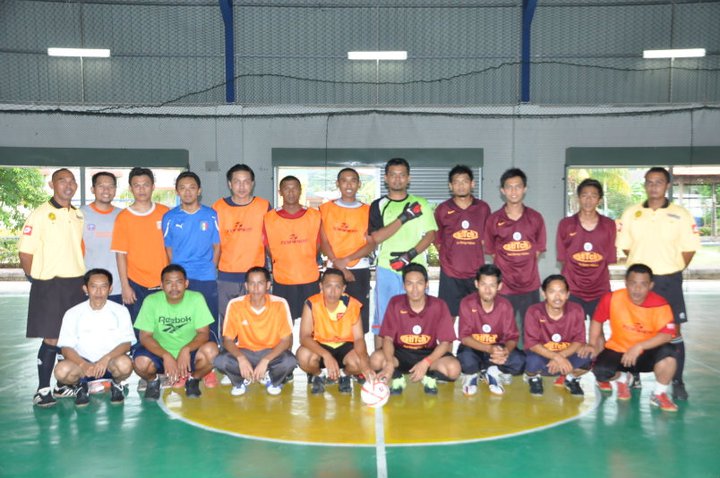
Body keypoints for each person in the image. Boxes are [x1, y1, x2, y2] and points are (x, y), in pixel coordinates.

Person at [616, 167, 700, 401]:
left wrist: (671, 267)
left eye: (659, 182)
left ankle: (677, 380)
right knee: (634, 328)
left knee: (674, 331)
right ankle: (634, 374)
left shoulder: (681, 214)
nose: (654, 186)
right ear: (644, 184)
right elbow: (626, 246)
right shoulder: (631, 213)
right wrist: (642, 272)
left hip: (668, 280)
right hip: (638, 282)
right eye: (650, 182)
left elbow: (689, 248)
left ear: (667, 185)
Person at [19, 168, 86, 407]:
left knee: (69, 337)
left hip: (75, 283)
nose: (68, 185)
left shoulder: (77, 214)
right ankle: (42, 389)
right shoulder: (39, 215)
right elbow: (25, 253)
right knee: (52, 337)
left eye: (72, 181)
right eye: (62, 181)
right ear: (52, 184)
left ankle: (62, 385)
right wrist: (37, 279)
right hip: (50, 284)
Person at [584, 264, 679, 412]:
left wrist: (639, 346)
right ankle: (622, 379)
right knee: (601, 372)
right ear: (626, 283)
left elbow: (667, 335)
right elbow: (597, 320)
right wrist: (591, 344)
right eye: (633, 283)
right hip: (618, 350)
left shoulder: (660, 304)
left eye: (643, 284)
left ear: (651, 285)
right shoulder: (612, 298)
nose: (637, 289)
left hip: (647, 353)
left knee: (669, 353)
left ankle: (659, 394)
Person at [368, 158, 437, 348]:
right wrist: (405, 217)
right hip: (386, 269)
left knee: (419, 317)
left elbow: (431, 235)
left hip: (416, 269)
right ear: (386, 178)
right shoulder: (378, 205)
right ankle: (381, 360)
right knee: (383, 319)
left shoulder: (420, 203)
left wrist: (408, 256)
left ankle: (418, 358)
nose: (397, 179)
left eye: (402, 175)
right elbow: (376, 237)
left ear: (409, 178)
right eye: (393, 175)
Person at [370, 264, 460, 395]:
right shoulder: (395, 303)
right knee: (375, 360)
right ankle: (397, 376)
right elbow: (388, 339)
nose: (415, 289)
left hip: (427, 353)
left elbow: (445, 342)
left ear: (427, 284)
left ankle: (429, 375)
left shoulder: (439, 305)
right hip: (400, 353)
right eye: (410, 284)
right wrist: (389, 363)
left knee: (454, 369)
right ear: (404, 286)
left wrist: (426, 362)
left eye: (419, 283)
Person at [132, 264, 218, 400]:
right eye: (169, 283)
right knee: (140, 363)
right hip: (161, 353)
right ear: (161, 285)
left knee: (212, 352)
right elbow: (145, 337)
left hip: (189, 353)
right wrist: (166, 355)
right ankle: (153, 381)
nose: (174, 287)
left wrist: (186, 349)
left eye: (178, 282)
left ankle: (193, 379)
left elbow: (204, 333)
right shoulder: (151, 301)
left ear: (186, 284)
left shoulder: (196, 298)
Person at [54, 268, 136, 406]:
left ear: (110, 289)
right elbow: (66, 348)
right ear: (85, 288)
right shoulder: (72, 313)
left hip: (109, 364)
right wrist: (83, 364)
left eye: (103, 287)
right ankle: (81, 385)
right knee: (61, 371)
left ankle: (116, 384)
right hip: (82, 365)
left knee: (125, 365)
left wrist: (106, 359)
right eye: (93, 287)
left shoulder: (121, 311)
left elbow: (126, 343)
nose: (99, 292)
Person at [213, 267, 297, 396]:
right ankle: (240, 381)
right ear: (246, 286)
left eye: (260, 283)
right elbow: (228, 340)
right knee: (220, 361)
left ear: (268, 285)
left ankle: (271, 378)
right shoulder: (235, 304)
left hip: (270, 351)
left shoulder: (280, 304)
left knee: (289, 361)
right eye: (252, 283)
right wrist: (241, 358)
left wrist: (266, 360)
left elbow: (286, 340)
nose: (256, 288)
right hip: (245, 351)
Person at [484, 168, 546, 337]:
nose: (513, 191)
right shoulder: (493, 219)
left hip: (530, 285)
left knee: (531, 332)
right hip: (504, 287)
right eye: (509, 187)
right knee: (503, 331)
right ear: (502, 190)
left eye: (518, 186)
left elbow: (537, 252)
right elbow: (492, 252)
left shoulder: (536, 218)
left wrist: (523, 266)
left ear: (525, 189)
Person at [213, 164, 271, 340]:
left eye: (246, 182)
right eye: (237, 182)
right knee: (228, 320)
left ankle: (258, 351)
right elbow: (213, 242)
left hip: (256, 275)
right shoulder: (218, 207)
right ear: (229, 184)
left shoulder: (263, 206)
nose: (242, 186)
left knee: (257, 319)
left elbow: (271, 239)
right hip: (227, 275)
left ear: (252, 183)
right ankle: (228, 353)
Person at [162, 172, 220, 346]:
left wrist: (211, 268)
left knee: (207, 319)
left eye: (192, 187)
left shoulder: (211, 215)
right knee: (183, 320)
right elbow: (168, 248)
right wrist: (177, 272)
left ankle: (211, 354)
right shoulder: (170, 217)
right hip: (180, 278)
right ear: (177, 191)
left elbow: (217, 246)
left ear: (199, 190)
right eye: (183, 188)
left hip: (206, 277)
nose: (187, 192)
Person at [297, 268, 373, 394]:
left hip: (345, 348)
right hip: (320, 348)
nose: (332, 291)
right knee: (303, 356)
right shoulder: (311, 303)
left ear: (343, 288)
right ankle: (318, 375)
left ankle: (344, 375)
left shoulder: (353, 305)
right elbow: (304, 337)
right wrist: (326, 355)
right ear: (321, 286)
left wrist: (365, 363)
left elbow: (359, 338)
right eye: (328, 286)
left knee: (361, 361)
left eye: (337, 286)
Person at [110, 167, 169, 324]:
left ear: (153, 186)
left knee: (163, 327)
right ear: (130, 188)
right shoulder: (123, 217)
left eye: (146, 185)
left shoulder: (165, 213)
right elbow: (120, 254)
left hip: (163, 282)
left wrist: (171, 279)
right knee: (138, 328)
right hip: (135, 284)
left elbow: (172, 249)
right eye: (137, 185)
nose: (141, 189)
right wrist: (125, 286)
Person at [319, 168, 374, 334]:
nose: (348, 185)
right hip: (333, 268)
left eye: (353, 181)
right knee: (331, 317)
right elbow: (323, 242)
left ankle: (357, 350)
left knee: (358, 319)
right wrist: (341, 266)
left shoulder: (369, 211)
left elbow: (371, 243)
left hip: (359, 269)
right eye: (344, 181)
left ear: (359, 184)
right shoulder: (325, 209)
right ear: (337, 184)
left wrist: (347, 261)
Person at [457, 264, 525, 396]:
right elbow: (464, 337)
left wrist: (505, 352)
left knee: (520, 362)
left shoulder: (505, 305)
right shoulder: (467, 303)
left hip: (497, 349)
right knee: (465, 361)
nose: (487, 290)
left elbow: (512, 337)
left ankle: (493, 372)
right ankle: (472, 375)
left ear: (499, 286)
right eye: (483, 284)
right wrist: (489, 349)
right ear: (476, 284)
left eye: (492, 285)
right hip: (474, 347)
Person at [434, 165, 491, 317]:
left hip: (476, 274)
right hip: (450, 274)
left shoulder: (483, 208)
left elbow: (487, 239)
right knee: (448, 318)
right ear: (450, 186)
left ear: (472, 184)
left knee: (477, 317)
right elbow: (437, 240)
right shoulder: (443, 209)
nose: (461, 186)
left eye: (465, 181)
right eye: (456, 182)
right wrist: (450, 259)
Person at [556, 178, 617, 320]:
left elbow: (608, 259)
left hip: (600, 289)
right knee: (572, 329)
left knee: (598, 329)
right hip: (572, 289)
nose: (588, 200)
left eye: (593, 196)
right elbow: (563, 260)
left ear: (599, 200)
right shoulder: (566, 224)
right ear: (578, 198)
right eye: (584, 195)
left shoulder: (609, 225)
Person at [264, 176, 321, 322]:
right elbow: (268, 246)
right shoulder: (269, 218)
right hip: (283, 279)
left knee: (311, 321)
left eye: (294, 188)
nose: (291, 192)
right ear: (280, 192)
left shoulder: (314, 215)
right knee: (285, 322)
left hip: (309, 277)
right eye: (286, 188)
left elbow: (319, 244)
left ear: (300, 191)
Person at [523, 274, 590, 397]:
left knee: (589, 355)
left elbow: (579, 340)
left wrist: (561, 356)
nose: (557, 297)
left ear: (568, 294)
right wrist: (557, 357)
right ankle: (534, 378)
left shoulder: (576, 310)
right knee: (530, 362)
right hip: (543, 355)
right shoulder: (534, 311)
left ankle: (571, 378)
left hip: (566, 354)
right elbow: (532, 344)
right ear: (544, 293)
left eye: (562, 292)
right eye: (552, 292)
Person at [80, 171, 123, 304]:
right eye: (101, 186)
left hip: (117, 286)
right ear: (92, 189)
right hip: (90, 287)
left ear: (115, 190)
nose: (106, 190)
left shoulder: (123, 216)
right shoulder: (80, 215)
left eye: (110, 186)